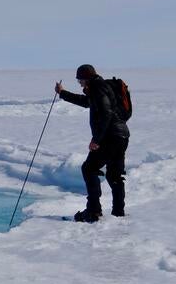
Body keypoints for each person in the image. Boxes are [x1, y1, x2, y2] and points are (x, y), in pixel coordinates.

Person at [55, 64, 130, 222]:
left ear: (85, 78)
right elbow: (86, 102)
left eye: (80, 80)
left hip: (110, 136)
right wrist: (63, 93)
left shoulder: (98, 88)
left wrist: (96, 139)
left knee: (89, 168)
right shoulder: (102, 87)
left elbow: (106, 113)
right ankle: (118, 213)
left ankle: (93, 211)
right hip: (122, 135)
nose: (80, 84)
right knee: (113, 174)